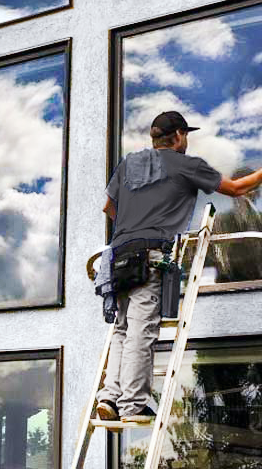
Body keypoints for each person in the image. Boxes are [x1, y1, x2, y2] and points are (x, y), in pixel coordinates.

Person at [96, 111, 262, 423]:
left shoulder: (129, 163)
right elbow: (238, 188)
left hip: (118, 257)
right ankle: (132, 405)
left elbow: (108, 207)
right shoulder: (186, 165)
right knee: (141, 332)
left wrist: (135, 223)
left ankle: (109, 398)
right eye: (186, 135)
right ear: (177, 137)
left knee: (121, 330)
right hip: (149, 256)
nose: (186, 141)